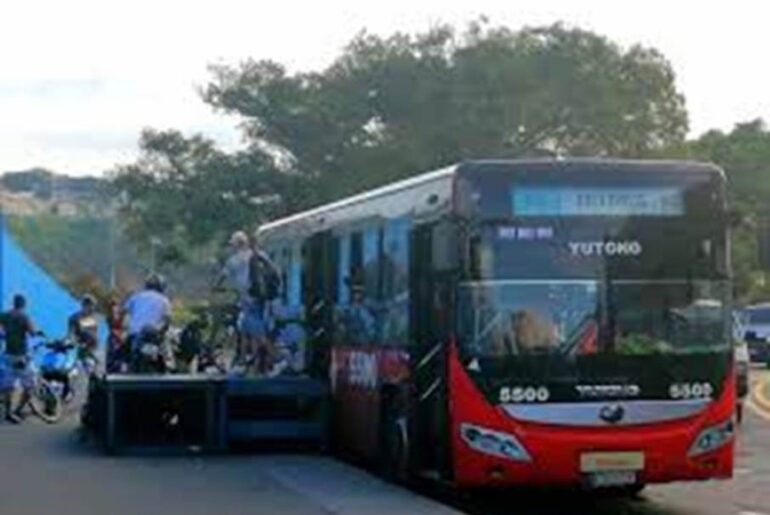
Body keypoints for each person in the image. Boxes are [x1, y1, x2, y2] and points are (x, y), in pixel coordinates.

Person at [0, 294, 38, 424]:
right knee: (30, 385)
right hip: (21, 356)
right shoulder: (24, 317)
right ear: (24, 304)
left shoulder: (4, 315)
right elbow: (32, 332)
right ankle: (18, 410)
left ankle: (8, 413)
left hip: (7, 355)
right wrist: (37, 332)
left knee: (8, 386)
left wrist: (4, 334)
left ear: (13, 303)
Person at [123, 274, 172, 369]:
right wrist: (162, 332)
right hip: (155, 336)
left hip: (136, 334)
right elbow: (167, 321)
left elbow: (124, 313)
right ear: (161, 287)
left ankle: (122, 366)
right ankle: (170, 365)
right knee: (168, 354)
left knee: (122, 354)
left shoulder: (136, 297)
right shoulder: (164, 300)